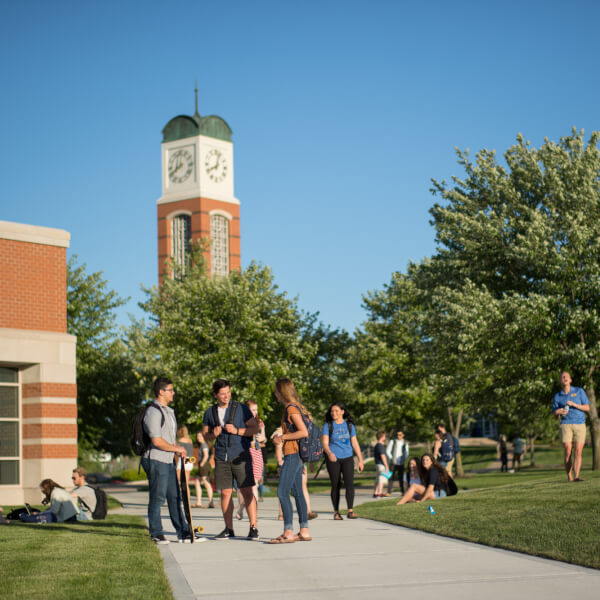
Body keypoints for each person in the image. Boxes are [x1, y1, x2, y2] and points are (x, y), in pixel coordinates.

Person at [202, 379, 259, 540]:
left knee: (247, 491)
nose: (226, 396)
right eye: (222, 394)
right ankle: (228, 529)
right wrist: (213, 434)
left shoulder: (241, 408)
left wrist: (237, 430)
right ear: (215, 395)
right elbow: (205, 435)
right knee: (226, 493)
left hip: (240, 454)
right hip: (221, 456)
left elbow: (254, 428)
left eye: (228, 392)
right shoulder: (209, 412)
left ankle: (253, 527)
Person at [141, 377, 195, 544]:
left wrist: (177, 449)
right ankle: (156, 533)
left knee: (175, 496)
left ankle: (183, 532)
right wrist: (177, 449)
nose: (173, 393)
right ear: (161, 392)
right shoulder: (153, 412)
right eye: (170, 390)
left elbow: (169, 440)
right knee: (157, 497)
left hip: (168, 460)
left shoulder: (168, 412)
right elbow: (156, 441)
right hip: (156, 459)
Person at [269, 378, 312, 543]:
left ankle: (288, 532)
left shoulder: (291, 409)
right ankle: (304, 531)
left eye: (276, 391)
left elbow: (303, 432)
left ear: (282, 391)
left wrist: (282, 437)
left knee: (282, 492)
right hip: (296, 454)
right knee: (298, 493)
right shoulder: (294, 407)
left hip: (293, 454)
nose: (275, 394)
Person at [321, 402, 364, 520]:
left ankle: (350, 510)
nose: (333, 413)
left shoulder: (350, 426)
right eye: (332, 411)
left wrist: (360, 460)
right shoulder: (328, 425)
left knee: (349, 484)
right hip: (333, 459)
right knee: (336, 485)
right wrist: (329, 453)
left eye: (336, 411)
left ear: (342, 412)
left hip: (348, 458)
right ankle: (336, 512)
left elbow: (355, 443)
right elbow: (324, 443)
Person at [552, 371, 590, 482]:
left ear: (570, 380)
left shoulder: (579, 391)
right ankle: (570, 477)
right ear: (560, 381)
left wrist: (575, 405)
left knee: (578, 451)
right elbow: (554, 415)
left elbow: (587, 407)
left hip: (580, 424)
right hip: (566, 424)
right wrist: (557, 412)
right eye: (562, 377)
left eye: (566, 376)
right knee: (568, 450)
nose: (564, 378)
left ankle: (577, 476)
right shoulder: (557, 396)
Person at [236, 400, 265, 520]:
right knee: (245, 486)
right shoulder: (240, 423)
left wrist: (262, 438)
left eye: (256, 410)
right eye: (252, 410)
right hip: (244, 454)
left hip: (257, 454)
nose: (255, 412)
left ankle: (253, 513)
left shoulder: (260, 423)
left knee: (254, 486)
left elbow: (264, 439)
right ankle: (241, 508)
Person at [193, 432, 214, 508]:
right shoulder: (202, 444)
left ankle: (211, 503)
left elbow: (206, 455)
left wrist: (202, 463)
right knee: (197, 482)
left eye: (200, 436)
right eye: (197, 436)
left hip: (204, 465)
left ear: (204, 437)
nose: (198, 437)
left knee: (206, 483)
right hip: (202, 465)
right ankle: (198, 502)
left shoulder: (204, 444)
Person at [386, 429, 409, 494]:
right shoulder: (392, 442)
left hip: (401, 463)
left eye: (400, 435)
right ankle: (389, 492)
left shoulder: (405, 443)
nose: (398, 436)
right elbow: (388, 451)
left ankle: (403, 492)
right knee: (390, 477)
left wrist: (403, 460)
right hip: (393, 463)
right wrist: (392, 458)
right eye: (397, 435)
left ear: (403, 435)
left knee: (401, 478)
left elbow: (406, 453)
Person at [373, 431, 390, 497]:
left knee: (377, 478)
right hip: (381, 465)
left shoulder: (376, 445)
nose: (385, 437)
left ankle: (375, 492)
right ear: (382, 437)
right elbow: (383, 456)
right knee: (381, 478)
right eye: (384, 436)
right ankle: (379, 492)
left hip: (377, 464)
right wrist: (387, 466)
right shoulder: (381, 446)